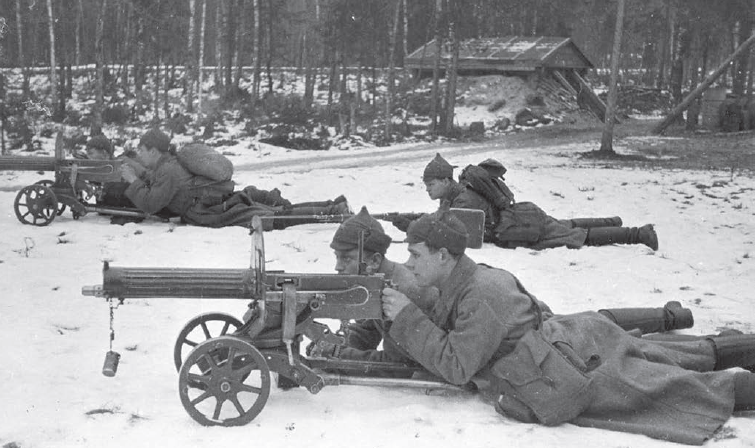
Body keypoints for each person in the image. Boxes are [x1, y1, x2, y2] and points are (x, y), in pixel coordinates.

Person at [378, 210, 755, 445]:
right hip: (573, 342)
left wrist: (408, 318)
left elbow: (458, 366)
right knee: (666, 356)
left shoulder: (482, 293)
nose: (408, 263)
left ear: (443, 256)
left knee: (670, 388)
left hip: (565, 365)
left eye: (415, 255)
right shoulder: (466, 279)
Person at [313, 207, 695, 371]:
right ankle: (672, 315)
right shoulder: (388, 281)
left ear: (373, 260)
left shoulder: (411, 286)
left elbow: (411, 360)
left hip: (512, 332)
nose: (337, 268)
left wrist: (342, 354)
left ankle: (670, 317)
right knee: (598, 324)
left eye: (345, 260)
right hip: (512, 323)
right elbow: (370, 324)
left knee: (610, 337)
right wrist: (345, 346)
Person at [409, 153, 658, 251]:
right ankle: (612, 221)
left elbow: (458, 230)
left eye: (430, 185)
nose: (428, 190)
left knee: (575, 235)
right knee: (565, 224)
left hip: (520, 225)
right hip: (522, 215)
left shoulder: (462, 200)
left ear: (444, 180)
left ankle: (638, 234)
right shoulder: (458, 193)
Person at [120, 128, 352, 229]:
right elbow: (155, 182)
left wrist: (132, 180)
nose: (139, 155)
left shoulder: (168, 170)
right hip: (214, 203)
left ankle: (333, 212)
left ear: (153, 151)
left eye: (141, 150)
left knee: (274, 218)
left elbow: (151, 203)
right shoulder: (167, 165)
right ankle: (333, 207)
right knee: (273, 212)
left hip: (209, 210)